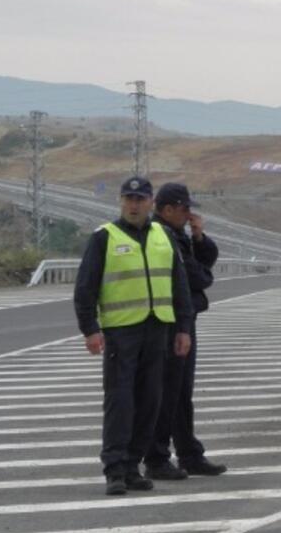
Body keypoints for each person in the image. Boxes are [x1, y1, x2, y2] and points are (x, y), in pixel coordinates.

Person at [74, 176, 194, 496]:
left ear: (150, 202)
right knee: (120, 401)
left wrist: (183, 327)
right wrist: (90, 329)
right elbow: (85, 287)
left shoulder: (162, 236)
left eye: (139, 199)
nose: (133, 204)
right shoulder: (104, 237)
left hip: (158, 329)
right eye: (128, 198)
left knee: (149, 401)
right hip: (121, 331)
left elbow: (179, 286)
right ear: (120, 201)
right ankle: (114, 469)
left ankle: (132, 466)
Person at [144, 183, 227, 480]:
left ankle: (189, 453)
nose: (189, 214)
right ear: (167, 210)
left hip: (182, 319)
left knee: (180, 393)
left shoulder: (178, 235)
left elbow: (204, 263)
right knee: (166, 393)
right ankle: (157, 457)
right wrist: (202, 273)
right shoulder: (161, 236)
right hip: (168, 322)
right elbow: (197, 275)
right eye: (184, 209)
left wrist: (199, 236)